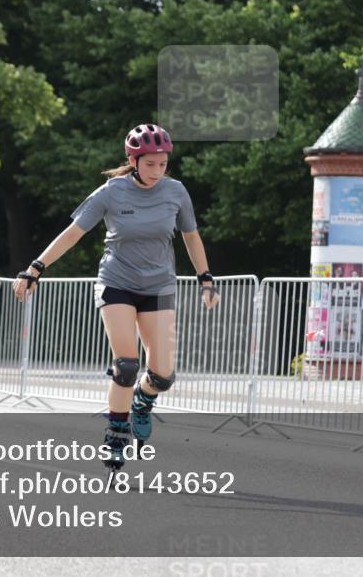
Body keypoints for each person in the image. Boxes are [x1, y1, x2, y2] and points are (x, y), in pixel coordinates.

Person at [12, 124, 219, 469]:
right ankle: (116, 430)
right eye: (150, 164)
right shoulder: (111, 192)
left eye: (163, 163)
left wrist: (205, 279)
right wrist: (35, 267)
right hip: (117, 283)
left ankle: (143, 399)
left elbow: (191, 237)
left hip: (159, 286)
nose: (157, 171)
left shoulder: (176, 192)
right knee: (126, 365)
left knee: (163, 375)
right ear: (133, 160)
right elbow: (73, 233)